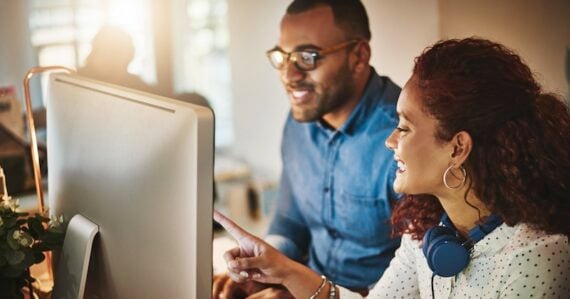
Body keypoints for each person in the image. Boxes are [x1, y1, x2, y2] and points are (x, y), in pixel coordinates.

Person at [213, 37, 570, 298]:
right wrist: (285, 270)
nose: (390, 141)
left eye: (404, 127)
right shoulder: (427, 229)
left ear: (458, 147)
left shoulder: (537, 259)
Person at [212, 0, 402, 297]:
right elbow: (291, 220)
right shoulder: (301, 119)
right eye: (283, 56)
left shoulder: (403, 139)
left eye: (307, 56)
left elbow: (419, 279)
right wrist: (261, 271)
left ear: (359, 56)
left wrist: (304, 289)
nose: (289, 75)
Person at [78, 26, 154, 93]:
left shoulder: (140, 89)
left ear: (129, 55)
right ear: (94, 53)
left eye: (115, 51)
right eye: (104, 50)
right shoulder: (76, 82)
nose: (109, 57)